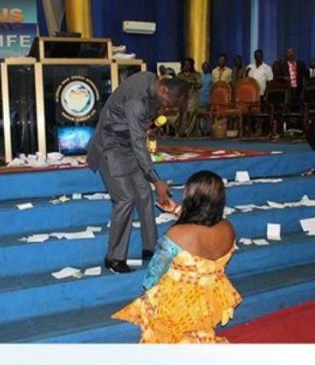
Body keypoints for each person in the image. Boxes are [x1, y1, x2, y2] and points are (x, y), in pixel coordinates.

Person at [112, 170, 242, 343]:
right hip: (211, 301)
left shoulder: (177, 234)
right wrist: (175, 210)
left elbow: (153, 275)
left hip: (180, 306)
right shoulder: (228, 228)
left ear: (190, 196)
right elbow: (203, 227)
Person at [86, 72, 189, 274]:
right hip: (110, 146)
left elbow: (139, 132)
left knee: (144, 194)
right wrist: (156, 180)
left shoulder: (152, 82)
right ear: (164, 89)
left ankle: (149, 248)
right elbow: (139, 143)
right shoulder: (137, 101)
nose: (167, 108)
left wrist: (148, 125)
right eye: (169, 103)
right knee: (125, 198)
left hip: (128, 146)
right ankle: (114, 258)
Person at [176, 57, 203, 137]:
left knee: (191, 112)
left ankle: (188, 132)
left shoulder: (196, 74)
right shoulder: (179, 75)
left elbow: (200, 84)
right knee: (183, 113)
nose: (186, 66)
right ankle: (182, 130)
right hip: (182, 97)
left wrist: (192, 83)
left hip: (193, 97)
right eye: (185, 64)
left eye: (188, 65)